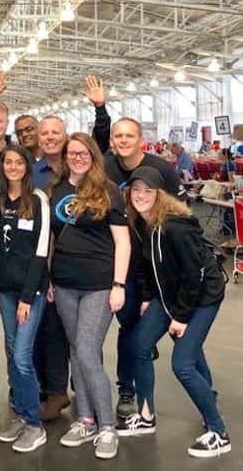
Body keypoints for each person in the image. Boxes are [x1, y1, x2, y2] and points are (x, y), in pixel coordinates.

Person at [118, 166, 231, 458]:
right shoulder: (141, 222)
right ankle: (146, 416)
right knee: (139, 347)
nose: (141, 195)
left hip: (202, 296)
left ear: (159, 195)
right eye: (136, 190)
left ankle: (218, 431)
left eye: (148, 191)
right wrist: (145, 297)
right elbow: (145, 266)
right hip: (168, 294)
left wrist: (180, 317)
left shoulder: (174, 227)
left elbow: (194, 276)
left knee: (182, 364)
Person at [51, 132, 130, 460]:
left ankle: (107, 425)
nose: (78, 158)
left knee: (86, 351)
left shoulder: (108, 190)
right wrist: (48, 279)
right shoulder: (56, 189)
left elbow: (123, 242)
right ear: (65, 156)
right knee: (76, 350)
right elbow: (51, 239)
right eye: (72, 153)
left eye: (84, 153)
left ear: (93, 156)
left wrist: (118, 285)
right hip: (65, 284)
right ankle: (85, 419)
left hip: (99, 285)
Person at [105, 117, 183, 419]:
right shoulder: (107, 169)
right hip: (125, 268)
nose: (123, 141)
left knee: (181, 332)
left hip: (159, 269)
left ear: (141, 139)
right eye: (118, 136)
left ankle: (207, 394)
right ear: (112, 139)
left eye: (129, 136)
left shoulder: (162, 170)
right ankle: (127, 389)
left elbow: (176, 216)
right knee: (129, 329)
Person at [0, 145, 50, 453]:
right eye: (8, 162)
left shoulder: (37, 200)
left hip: (31, 292)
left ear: (27, 167)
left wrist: (28, 296)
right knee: (10, 351)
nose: (13, 167)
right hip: (5, 291)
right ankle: (19, 410)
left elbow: (41, 251)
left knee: (22, 357)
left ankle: (34, 424)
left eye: (19, 162)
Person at [30, 115, 71, 421]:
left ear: (65, 134)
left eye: (56, 132)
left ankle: (69, 388)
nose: (50, 137)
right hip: (44, 257)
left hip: (78, 259)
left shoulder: (79, 166)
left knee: (76, 332)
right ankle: (52, 390)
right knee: (46, 327)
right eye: (45, 133)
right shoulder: (34, 173)